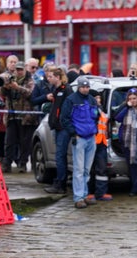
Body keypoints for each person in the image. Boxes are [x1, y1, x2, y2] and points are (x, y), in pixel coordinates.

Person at [61, 76, 99, 208]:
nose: (85, 89)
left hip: (90, 138)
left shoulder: (92, 100)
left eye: (87, 87)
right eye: (83, 87)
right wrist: (74, 133)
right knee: (78, 169)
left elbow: (96, 117)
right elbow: (64, 119)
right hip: (80, 138)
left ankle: (84, 194)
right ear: (78, 87)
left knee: (86, 170)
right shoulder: (71, 100)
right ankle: (78, 197)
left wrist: (94, 130)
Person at [1, 61, 38, 173]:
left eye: (21, 69)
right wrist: (5, 87)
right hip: (12, 115)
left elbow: (30, 94)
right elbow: (1, 93)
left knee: (24, 143)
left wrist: (17, 88)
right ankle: (7, 164)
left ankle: (22, 164)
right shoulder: (11, 79)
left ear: (25, 70)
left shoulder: (30, 81)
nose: (19, 71)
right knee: (9, 141)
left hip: (25, 117)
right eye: (17, 69)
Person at [44, 66, 71, 195]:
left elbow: (67, 110)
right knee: (59, 156)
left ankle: (61, 183)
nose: (48, 79)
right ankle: (59, 181)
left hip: (62, 128)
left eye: (51, 76)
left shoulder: (66, 90)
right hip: (57, 127)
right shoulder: (57, 90)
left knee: (60, 156)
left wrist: (61, 123)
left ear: (58, 77)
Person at [87, 92, 112, 202]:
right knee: (90, 169)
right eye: (96, 98)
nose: (98, 100)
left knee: (101, 169)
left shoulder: (101, 109)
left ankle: (101, 193)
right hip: (92, 142)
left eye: (99, 98)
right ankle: (89, 192)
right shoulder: (89, 109)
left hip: (101, 142)